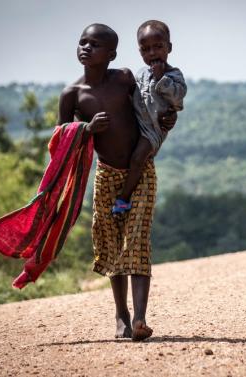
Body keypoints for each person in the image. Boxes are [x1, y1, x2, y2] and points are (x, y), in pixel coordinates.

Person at [58, 23, 176, 342]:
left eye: (94, 45)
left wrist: (169, 115)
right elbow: (59, 140)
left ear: (111, 54)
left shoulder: (124, 78)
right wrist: (85, 129)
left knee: (136, 240)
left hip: (141, 172)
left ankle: (139, 318)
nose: (86, 48)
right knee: (111, 243)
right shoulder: (72, 95)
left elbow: (150, 104)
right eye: (82, 42)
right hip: (107, 174)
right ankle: (121, 316)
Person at [112, 20, 187, 215]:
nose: (152, 53)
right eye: (146, 49)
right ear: (140, 52)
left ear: (169, 47)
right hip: (136, 123)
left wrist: (162, 79)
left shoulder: (174, 74)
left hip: (153, 129)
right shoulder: (141, 73)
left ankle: (123, 199)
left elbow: (178, 100)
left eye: (158, 47)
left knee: (138, 158)